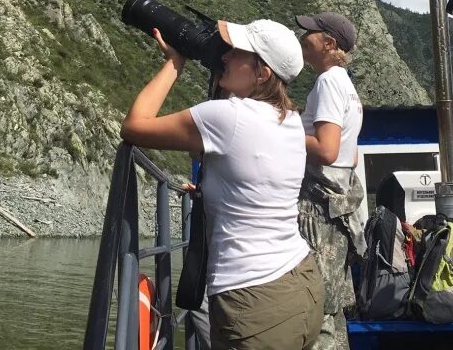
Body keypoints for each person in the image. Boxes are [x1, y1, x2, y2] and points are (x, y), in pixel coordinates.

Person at [121, 17, 323, 350]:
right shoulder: (287, 121)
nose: (225, 57)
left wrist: (175, 63)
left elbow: (134, 126)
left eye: (236, 52)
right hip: (302, 284)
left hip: (255, 303)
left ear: (263, 73)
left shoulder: (227, 117)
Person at [295, 12, 366, 350]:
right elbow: (348, 156)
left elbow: (326, 149)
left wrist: (284, 129)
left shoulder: (327, 82)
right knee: (332, 303)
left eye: (309, 31)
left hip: (318, 208)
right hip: (337, 205)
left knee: (314, 301)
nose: (302, 34)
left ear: (329, 43)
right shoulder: (345, 84)